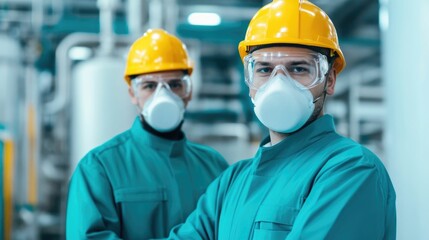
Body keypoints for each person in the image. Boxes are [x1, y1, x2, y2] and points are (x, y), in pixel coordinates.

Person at [165, 0, 396, 239]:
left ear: (330, 80)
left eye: (298, 69)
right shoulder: (232, 182)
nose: (279, 84)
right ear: (249, 79)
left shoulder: (351, 170)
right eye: (264, 70)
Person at [66, 29, 229, 239]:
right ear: (133, 94)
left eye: (175, 85)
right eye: (150, 86)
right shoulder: (99, 168)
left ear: (188, 91)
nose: (164, 95)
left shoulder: (214, 166)